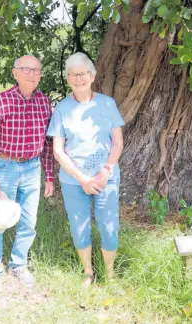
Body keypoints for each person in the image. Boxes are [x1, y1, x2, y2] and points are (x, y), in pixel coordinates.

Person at [0, 55, 55, 302]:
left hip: (32, 168)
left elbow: (48, 144)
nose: (32, 74)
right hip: (4, 167)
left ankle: (18, 264)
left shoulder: (44, 102)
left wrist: (49, 175)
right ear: (15, 73)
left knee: (29, 222)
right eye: (26, 69)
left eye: (37, 70)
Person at [47, 52, 124, 286]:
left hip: (106, 179)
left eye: (82, 73)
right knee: (79, 227)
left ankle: (110, 275)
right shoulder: (61, 109)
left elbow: (118, 142)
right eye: (72, 74)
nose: (77, 78)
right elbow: (58, 151)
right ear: (68, 78)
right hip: (74, 181)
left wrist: (105, 171)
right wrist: (82, 178)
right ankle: (88, 272)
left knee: (109, 226)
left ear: (92, 75)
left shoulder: (107, 103)